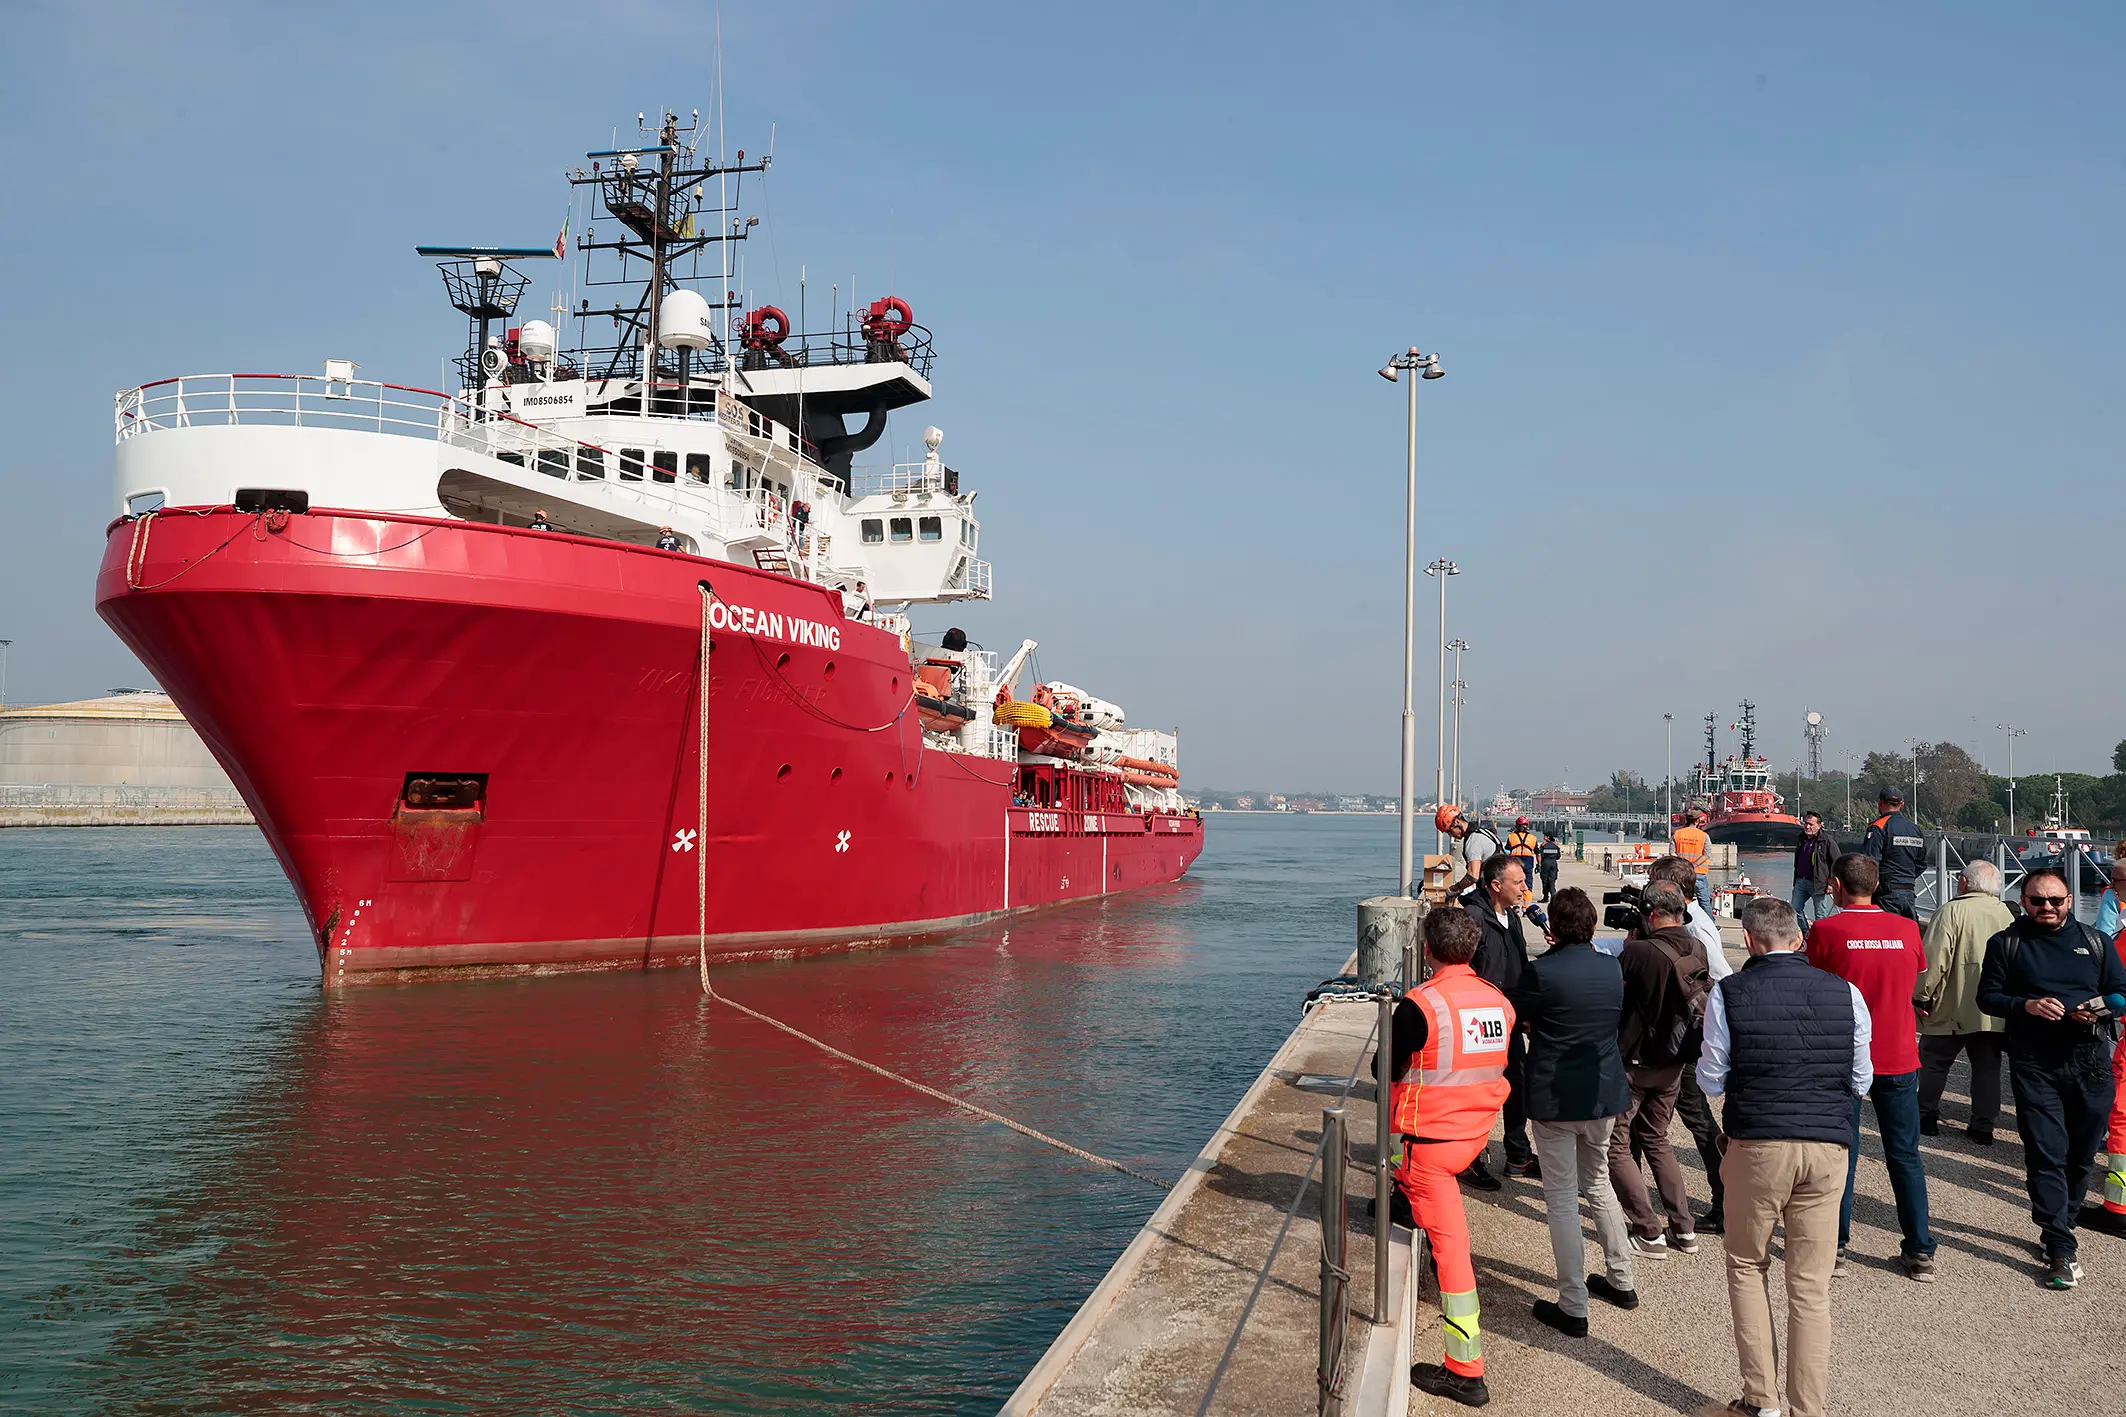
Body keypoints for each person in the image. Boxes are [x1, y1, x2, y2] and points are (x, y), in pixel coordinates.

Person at [1699, 896, 1873, 1417]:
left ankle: (1761, 1399)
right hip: (1827, 1145)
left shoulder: (1729, 993)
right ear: (1798, 938)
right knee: (1810, 1284)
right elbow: (1860, 1078)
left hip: (1759, 1143)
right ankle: (1808, 1408)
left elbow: (1711, 1078)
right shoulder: (1847, 993)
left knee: (1748, 1264)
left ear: (1749, 940)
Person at [1390, 907, 1516, 1408]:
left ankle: (1466, 1370)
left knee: (1453, 1256)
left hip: (1432, 1146)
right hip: (1477, 1136)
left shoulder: (1419, 1005)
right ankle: (1403, 1196)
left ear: (1426, 950)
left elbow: (1387, 1069)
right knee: (1413, 1185)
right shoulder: (1498, 1003)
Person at [1977, 866, 2126, 1287]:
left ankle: (2067, 1218)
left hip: (2091, 1060)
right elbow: (1987, 997)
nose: (2047, 907)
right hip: (2034, 1062)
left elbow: (2120, 993)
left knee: (2080, 1155)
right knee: (2045, 1152)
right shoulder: (2006, 943)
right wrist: (2026, 1005)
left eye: (2056, 900)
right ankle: (2059, 1244)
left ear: (2069, 902)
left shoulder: (2095, 943)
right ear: (2023, 901)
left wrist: (2095, 1010)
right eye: (2038, 900)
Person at [1511, 887, 1639, 1336]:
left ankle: (1573, 1303)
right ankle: (1621, 1279)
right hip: (1603, 1092)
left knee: (1562, 1197)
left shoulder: (1540, 972)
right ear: (1591, 926)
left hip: (1555, 1095)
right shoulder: (1611, 968)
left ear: (1554, 928)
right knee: (1599, 1182)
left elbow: (1519, 1017)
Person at [1806, 853, 1936, 1280]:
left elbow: (1813, 984)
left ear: (1837, 886)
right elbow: (1918, 972)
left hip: (1843, 1055)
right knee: (1905, 1155)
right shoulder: (1907, 929)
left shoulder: (1826, 930)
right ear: (1877, 885)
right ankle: (1919, 1249)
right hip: (1898, 1053)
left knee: (1844, 1155)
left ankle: (1837, 1246)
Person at [1605, 854, 1732, 1232]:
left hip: (1667, 1046)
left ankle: (1719, 1200)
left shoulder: (1701, 933)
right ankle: (1665, 1210)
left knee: (1693, 1123)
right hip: (1678, 1044)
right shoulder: (1689, 935)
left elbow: (1720, 982)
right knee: (1654, 1133)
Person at [1914, 859, 2014, 1144]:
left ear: (1963, 882)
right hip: (1992, 1009)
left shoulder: (1951, 911)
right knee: (1987, 1066)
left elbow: (1934, 959)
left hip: (1952, 1003)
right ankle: (1983, 1125)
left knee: (1934, 1060)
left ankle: (1926, 1115)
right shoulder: (2005, 913)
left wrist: (1921, 995)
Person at [1466, 852, 1537, 1181]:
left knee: (1516, 1085)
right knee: (1479, 1092)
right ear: (1496, 885)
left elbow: (1518, 964)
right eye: (1518, 882)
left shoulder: (1514, 916)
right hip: (1480, 1023)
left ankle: (1518, 1155)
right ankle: (1470, 1157)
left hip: (1510, 1018)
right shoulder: (1473, 917)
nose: (1525, 887)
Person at [1861, 789, 1926, 920]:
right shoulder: (1914, 829)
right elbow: (1922, 863)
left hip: (1885, 894)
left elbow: (1869, 863)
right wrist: (1906, 878)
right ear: (1902, 805)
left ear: (1880, 803)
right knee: (1907, 934)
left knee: (1886, 935)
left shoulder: (1878, 827)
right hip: (1909, 892)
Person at [1436, 805, 1501, 898]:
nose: (1451, 836)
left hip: (1496, 889)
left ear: (1457, 822)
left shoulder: (1473, 841)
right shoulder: (1482, 831)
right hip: (1500, 882)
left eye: (1450, 831)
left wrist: (1454, 888)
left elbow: (1472, 876)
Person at [1791, 812, 1840, 927]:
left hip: (1818, 883)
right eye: (1806, 824)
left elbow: (1837, 862)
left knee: (1820, 915)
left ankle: (1819, 940)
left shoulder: (1827, 841)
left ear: (1819, 825)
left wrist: (1831, 883)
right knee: (1795, 909)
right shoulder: (1801, 839)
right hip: (1800, 881)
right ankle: (1806, 935)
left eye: (1811, 824)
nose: (1807, 827)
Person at [1672, 810, 1714, 914]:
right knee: (1704, 902)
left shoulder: (1677, 834)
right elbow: (1707, 854)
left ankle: (1679, 923)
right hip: (1698, 873)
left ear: (1686, 820)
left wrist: (1684, 865)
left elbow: (1672, 854)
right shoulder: (1704, 836)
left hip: (1681, 873)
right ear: (1697, 821)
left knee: (1679, 900)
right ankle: (1710, 926)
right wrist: (1694, 865)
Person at [1506, 817, 1540, 901]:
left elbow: (1506, 851)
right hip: (1528, 862)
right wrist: (1539, 865)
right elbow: (1538, 853)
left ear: (1517, 825)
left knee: (1514, 882)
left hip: (1515, 861)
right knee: (1528, 884)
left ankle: (1514, 905)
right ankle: (1526, 907)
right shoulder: (1533, 838)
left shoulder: (1511, 837)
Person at [1537, 831, 1563, 902]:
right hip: (1553, 863)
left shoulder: (1543, 845)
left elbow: (1540, 855)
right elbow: (1558, 856)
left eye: (1544, 836)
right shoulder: (1556, 846)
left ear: (1548, 837)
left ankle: (1545, 897)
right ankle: (1553, 896)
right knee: (1552, 880)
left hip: (1545, 863)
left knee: (1545, 881)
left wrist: (1538, 864)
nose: (1543, 837)